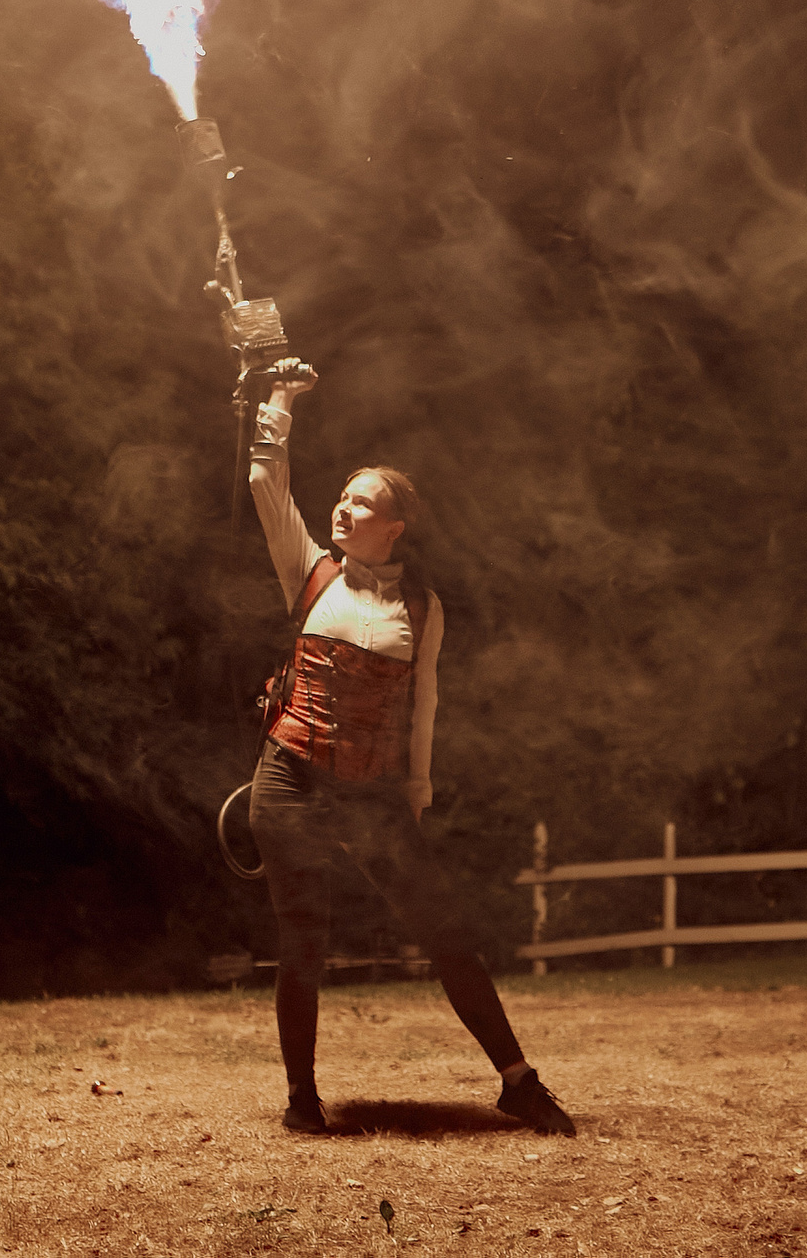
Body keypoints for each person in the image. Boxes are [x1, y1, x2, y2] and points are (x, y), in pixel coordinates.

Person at [243, 357, 574, 1138]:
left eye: (363, 500)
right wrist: (280, 398)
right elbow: (265, 481)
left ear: (394, 526)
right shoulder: (311, 572)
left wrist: (416, 794)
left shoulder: (423, 608)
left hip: (371, 794)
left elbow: (424, 705)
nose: (344, 505)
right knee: (304, 938)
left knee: (444, 928)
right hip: (289, 780)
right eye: (343, 494)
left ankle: (519, 1082)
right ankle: (301, 1097)